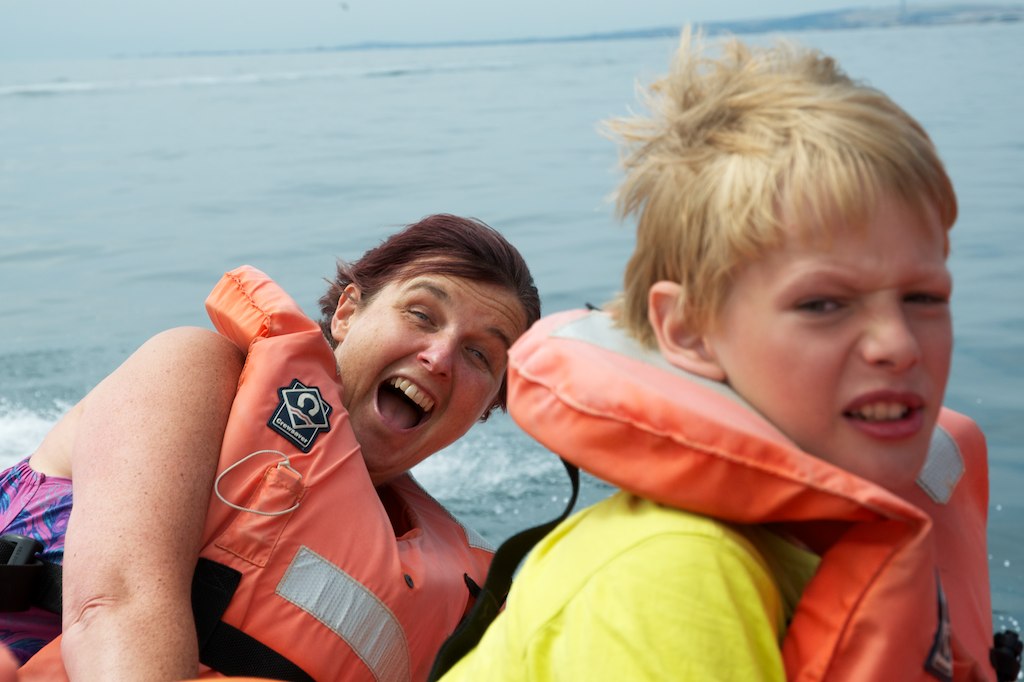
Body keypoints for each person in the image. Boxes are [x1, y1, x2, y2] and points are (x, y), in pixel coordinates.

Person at [437, 30, 1003, 681]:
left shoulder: (835, 527)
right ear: (689, 331)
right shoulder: (670, 576)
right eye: (824, 305)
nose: (899, 345)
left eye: (924, 297)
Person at [1, 213, 540, 681]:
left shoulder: (458, 585)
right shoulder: (197, 373)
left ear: (489, 404)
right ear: (348, 313)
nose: (440, 357)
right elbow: (112, 608)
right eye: (421, 315)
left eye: (479, 356)